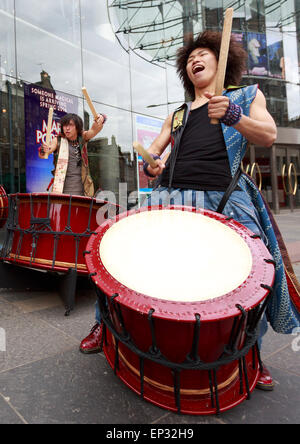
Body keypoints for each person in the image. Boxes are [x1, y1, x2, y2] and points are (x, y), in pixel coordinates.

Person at [79, 31, 300, 392]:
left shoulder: (245, 96)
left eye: (202, 54)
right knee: (121, 258)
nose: (193, 60)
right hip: (171, 197)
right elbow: (154, 155)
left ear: (220, 60)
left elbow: (268, 134)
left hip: (224, 200)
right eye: (189, 58)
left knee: (249, 280)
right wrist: (152, 165)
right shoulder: (178, 115)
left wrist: (233, 115)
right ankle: (106, 324)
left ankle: (250, 354)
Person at [39, 112, 106, 196]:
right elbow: (48, 149)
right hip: (61, 191)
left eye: (71, 125)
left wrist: (101, 118)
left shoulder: (82, 137)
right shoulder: (58, 140)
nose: (67, 128)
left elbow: (94, 130)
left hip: (84, 191)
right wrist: (44, 150)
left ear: (77, 127)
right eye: (65, 125)